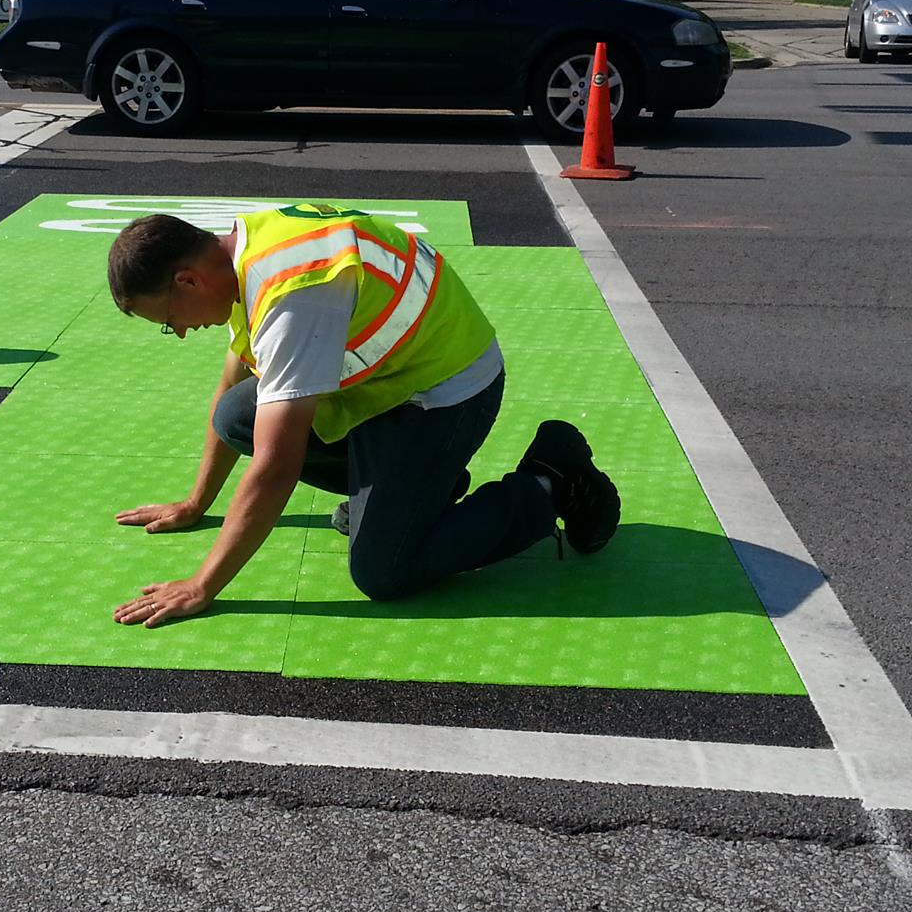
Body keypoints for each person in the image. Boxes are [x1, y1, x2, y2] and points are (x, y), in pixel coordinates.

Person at [106, 204, 619, 627]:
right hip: (388, 384)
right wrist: (196, 502)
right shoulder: (243, 249)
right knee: (236, 414)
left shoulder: (292, 293)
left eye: (168, 319)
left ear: (189, 281)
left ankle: (550, 480)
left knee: (384, 571)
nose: (176, 331)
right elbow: (234, 380)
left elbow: (276, 466)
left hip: (446, 394)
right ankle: (421, 488)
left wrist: (202, 585)